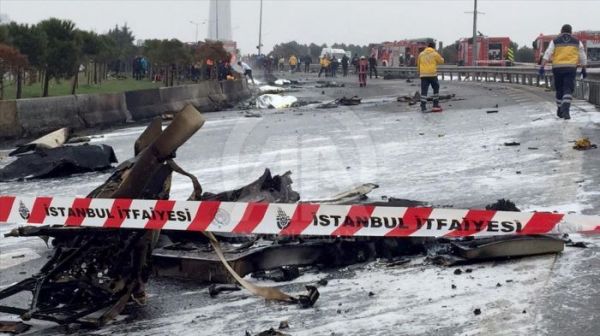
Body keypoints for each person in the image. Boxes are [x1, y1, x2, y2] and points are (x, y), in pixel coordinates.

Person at [540, 24, 587, 120]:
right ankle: (566, 109)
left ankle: (560, 108)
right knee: (568, 89)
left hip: (557, 68)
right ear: (571, 32)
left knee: (559, 89)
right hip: (570, 68)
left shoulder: (555, 41)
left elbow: (548, 53)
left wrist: (542, 66)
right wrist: (583, 68)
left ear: (561, 31)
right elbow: (582, 56)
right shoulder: (577, 42)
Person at [417, 41, 445, 112]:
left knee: (424, 91)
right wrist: (442, 58)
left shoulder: (421, 54)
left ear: (427, 46)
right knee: (436, 88)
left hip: (423, 75)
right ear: (434, 47)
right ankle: (435, 104)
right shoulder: (434, 54)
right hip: (432, 74)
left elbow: (418, 64)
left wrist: (419, 73)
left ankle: (423, 107)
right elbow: (441, 61)